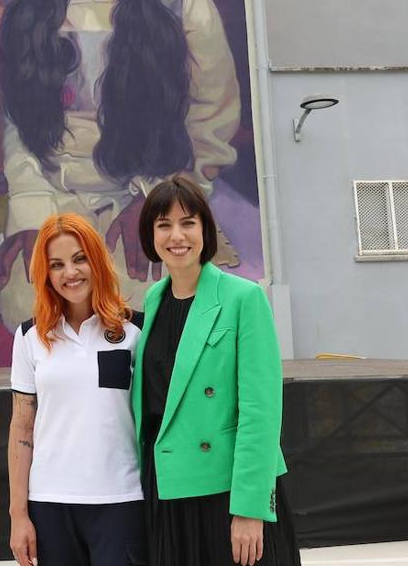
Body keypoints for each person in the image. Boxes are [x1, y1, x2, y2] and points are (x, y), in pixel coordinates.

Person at [0, 0, 244, 329]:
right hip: (52, 197)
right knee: (39, 315)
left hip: (146, 195)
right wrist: (31, 214)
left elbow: (210, 123)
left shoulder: (182, 4)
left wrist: (161, 202)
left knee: (147, 318)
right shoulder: (29, 6)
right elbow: (18, 124)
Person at [132, 177, 299, 566]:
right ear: (150, 235)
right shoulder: (154, 298)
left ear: (205, 230)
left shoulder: (243, 298)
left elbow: (260, 412)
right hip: (169, 489)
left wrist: (250, 508)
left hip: (229, 492)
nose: (177, 235)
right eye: (164, 225)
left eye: (188, 223)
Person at [7, 212, 147, 566]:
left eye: (79, 259)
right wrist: (18, 515)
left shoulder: (136, 331)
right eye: (57, 265)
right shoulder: (29, 337)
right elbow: (22, 428)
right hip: (50, 504)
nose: (70, 273)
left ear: (97, 261)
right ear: (45, 274)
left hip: (122, 500)